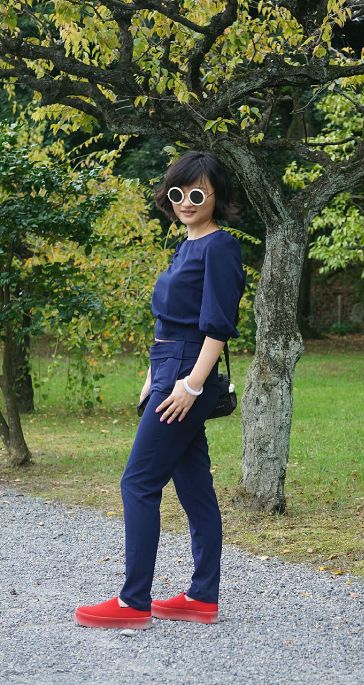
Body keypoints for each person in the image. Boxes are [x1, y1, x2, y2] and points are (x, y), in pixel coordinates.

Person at [74, 151, 247, 629]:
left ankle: (133, 602)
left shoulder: (220, 247)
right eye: (178, 193)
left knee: (138, 482)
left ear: (216, 196)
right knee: (194, 487)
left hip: (189, 372)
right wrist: (152, 377)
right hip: (169, 367)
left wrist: (191, 384)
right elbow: (170, 321)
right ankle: (202, 598)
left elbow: (217, 327)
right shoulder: (185, 246)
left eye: (197, 194)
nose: (186, 202)